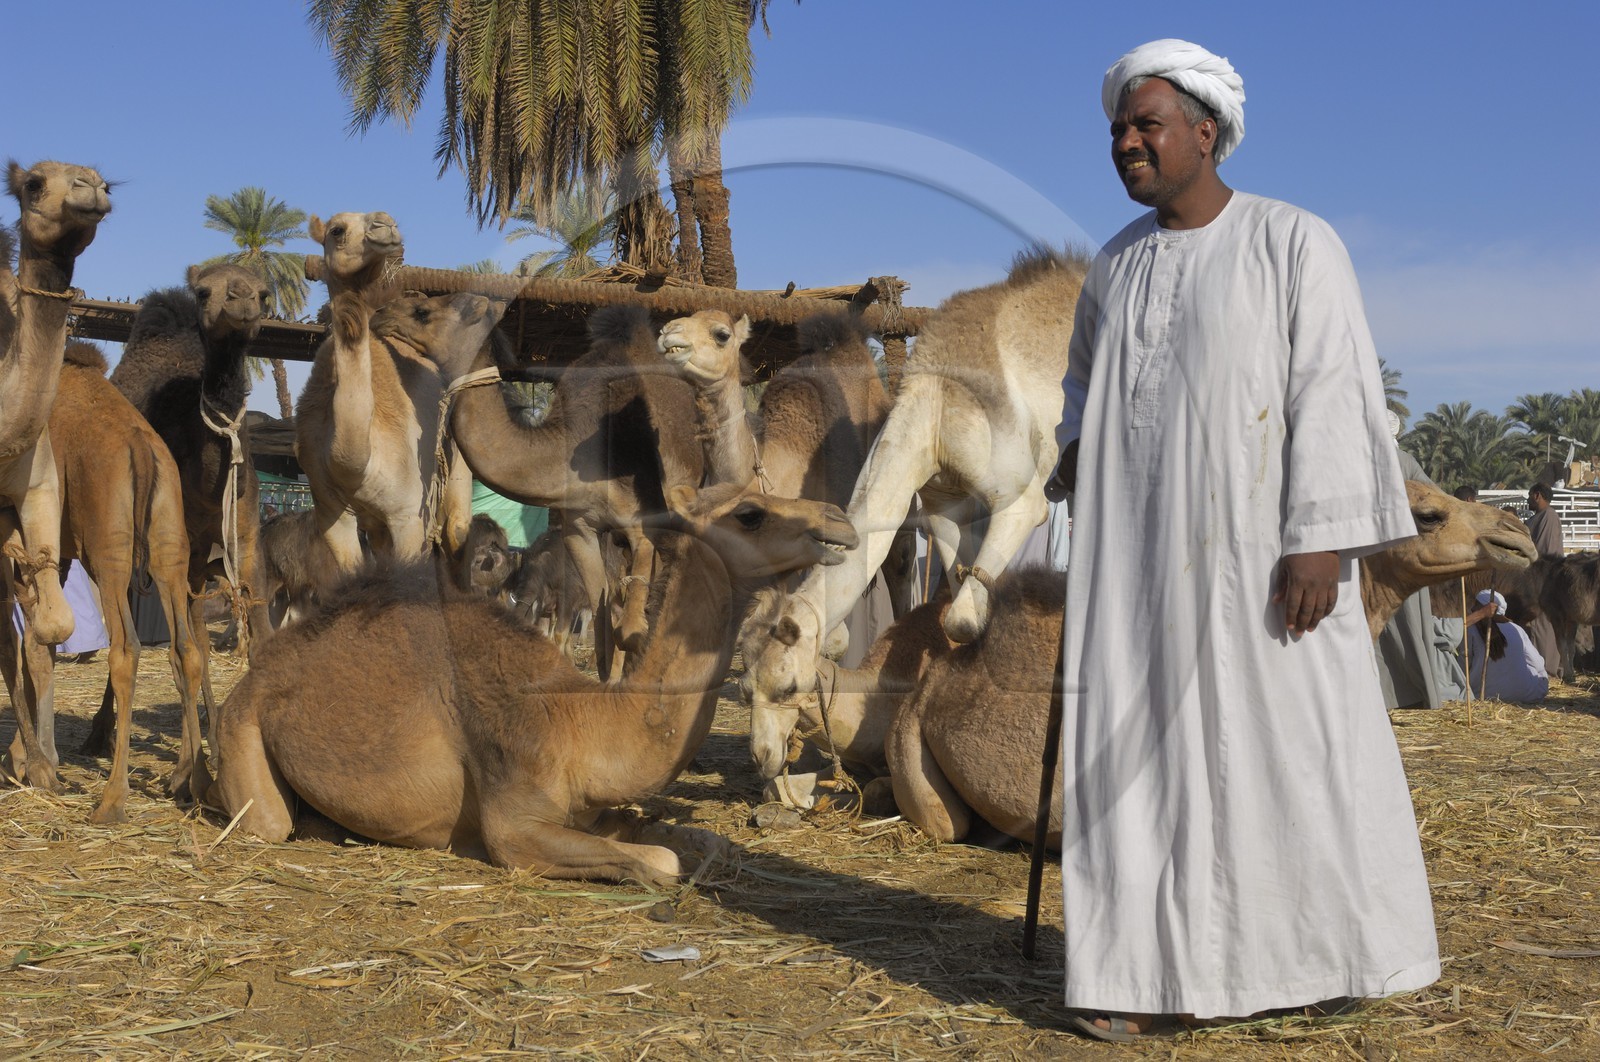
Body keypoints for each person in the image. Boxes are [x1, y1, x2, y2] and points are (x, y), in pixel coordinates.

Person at [1045, 39, 1438, 1040]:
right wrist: (1073, 448)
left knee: (1287, 752)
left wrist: (1321, 541)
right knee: (1135, 761)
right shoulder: (1116, 265)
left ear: (1206, 135)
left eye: (1148, 126)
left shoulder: (1293, 242)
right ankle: (1138, 977)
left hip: (1265, 566)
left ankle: (1316, 958)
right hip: (1134, 571)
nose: (1128, 143)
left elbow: (1335, 394)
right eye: (1119, 130)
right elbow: (1083, 387)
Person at [1376, 412, 1441, 709]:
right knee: (1410, 623)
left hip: (1374, 556)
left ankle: (1385, 696)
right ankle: (1418, 692)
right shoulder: (1406, 461)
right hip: (1405, 554)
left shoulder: (1369, 459)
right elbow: (1434, 497)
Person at [1464, 590, 1549, 702]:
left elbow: (1463, 668)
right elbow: (1537, 663)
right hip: (1526, 694)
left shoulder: (1469, 630)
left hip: (1483, 694)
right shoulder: (1516, 629)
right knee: (1540, 673)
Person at [1524, 482, 1564, 677]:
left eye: (1529, 495)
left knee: (1543, 625)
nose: (1528, 499)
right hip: (1533, 581)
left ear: (1537, 495)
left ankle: (1548, 669)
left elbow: (1546, 552)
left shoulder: (1549, 516)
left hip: (1544, 582)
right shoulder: (1537, 518)